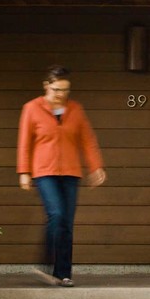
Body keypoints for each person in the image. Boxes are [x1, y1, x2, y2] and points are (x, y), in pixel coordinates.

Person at [17, 65, 106, 287]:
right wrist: (24, 172)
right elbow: (24, 143)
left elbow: (87, 140)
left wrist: (96, 167)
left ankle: (63, 273)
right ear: (47, 85)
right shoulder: (31, 108)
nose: (61, 95)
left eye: (66, 90)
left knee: (66, 222)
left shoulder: (76, 109)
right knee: (56, 214)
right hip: (44, 172)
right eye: (57, 89)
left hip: (70, 172)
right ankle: (47, 263)